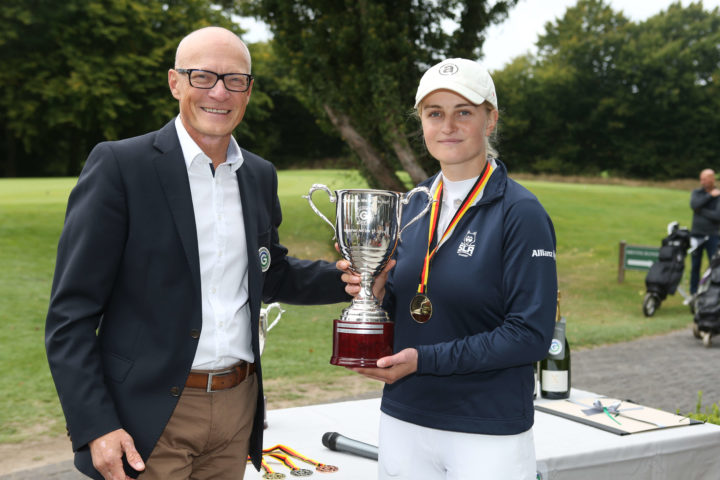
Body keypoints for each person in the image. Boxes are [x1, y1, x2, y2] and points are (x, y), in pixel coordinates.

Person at [45, 26, 351, 480]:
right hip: (150, 418)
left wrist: (350, 278)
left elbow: (269, 273)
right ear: (175, 82)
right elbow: (70, 315)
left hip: (237, 412)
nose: (220, 93)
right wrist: (96, 425)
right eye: (203, 77)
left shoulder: (259, 176)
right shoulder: (120, 167)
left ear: (248, 90)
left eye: (235, 80)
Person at [340, 58, 558, 479]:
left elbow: (530, 336)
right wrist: (378, 292)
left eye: (464, 112)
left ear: (490, 120)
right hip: (405, 418)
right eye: (434, 113)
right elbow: (410, 309)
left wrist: (423, 360)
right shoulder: (412, 204)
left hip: (486, 429)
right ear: (421, 122)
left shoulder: (521, 212)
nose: (448, 126)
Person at [689, 168, 720, 294]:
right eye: (701, 179)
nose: (702, 182)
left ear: (712, 179)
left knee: (714, 266)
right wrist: (709, 196)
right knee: (695, 265)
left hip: (712, 235)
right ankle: (693, 292)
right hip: (696, 234)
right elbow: (694, 205)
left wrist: (700, 211)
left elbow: (718, 216)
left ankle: (712, 293)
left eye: (705, 179)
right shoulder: (697, 192)